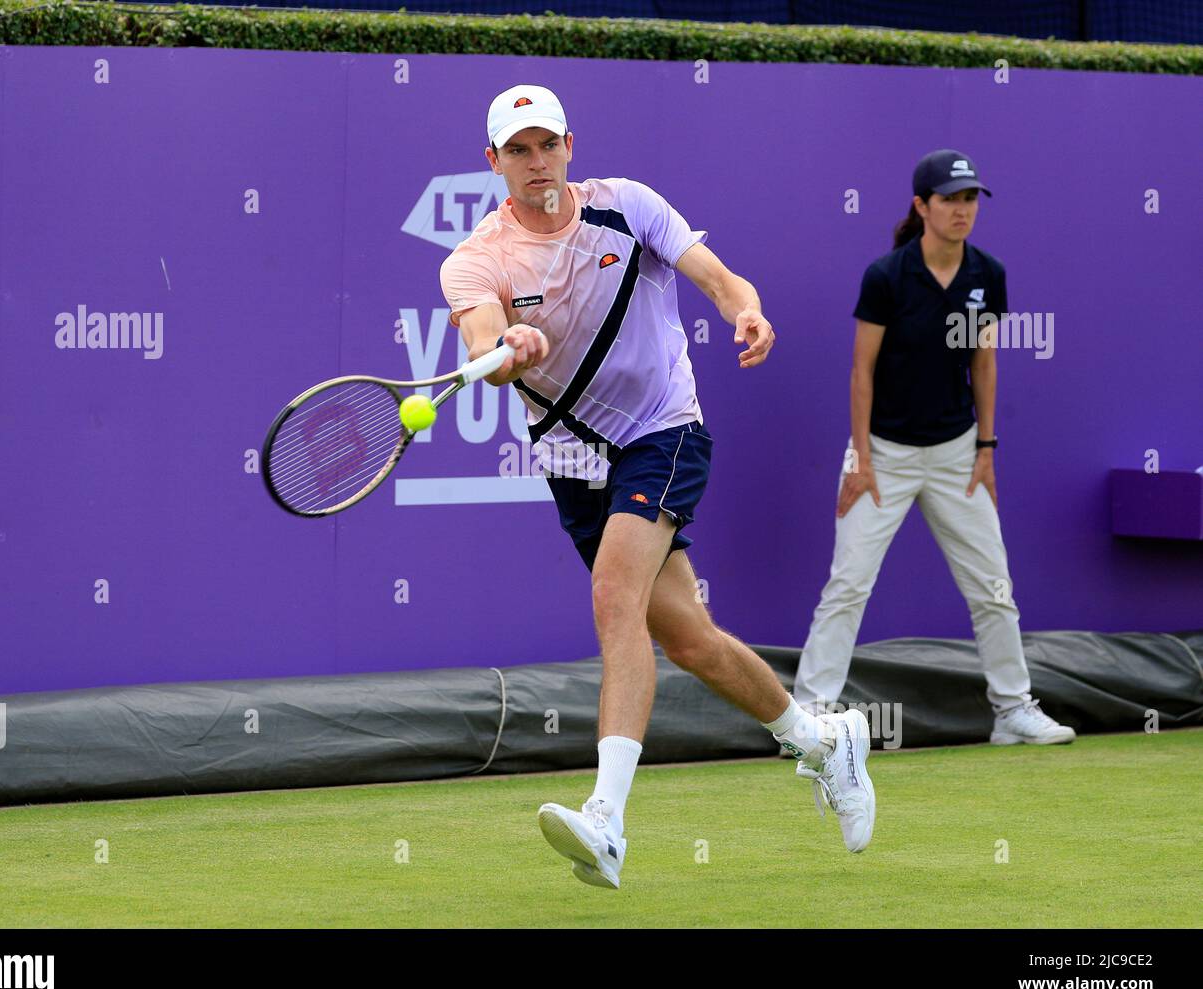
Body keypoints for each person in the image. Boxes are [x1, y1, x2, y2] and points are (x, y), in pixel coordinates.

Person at [439, 84, 876, 889]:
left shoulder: (628, 206)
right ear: (492, 162)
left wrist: (747, 309)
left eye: (549, 145)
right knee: (687, 639)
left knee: (614, 595)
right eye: (519, 150)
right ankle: (823, 741)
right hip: (573, 462)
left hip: (662, 431)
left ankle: (606, 821)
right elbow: (484, 336)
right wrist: (512, 345)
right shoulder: (475, 259)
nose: (538, 163)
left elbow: (718, 277)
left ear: (571, 143)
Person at [792, 149, 1076, 751]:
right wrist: (863, 461)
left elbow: (983, 362)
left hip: (957, 453)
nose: (962, 210)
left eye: (970, 199)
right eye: (950, 199)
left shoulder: (986, 274)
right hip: (881, 456)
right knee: (848, 585)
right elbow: (860, 372)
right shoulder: (887, 276)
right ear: (922, 206)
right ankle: (807, 718)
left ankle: (1012, 710)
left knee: (994, 588)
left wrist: (986, 450)